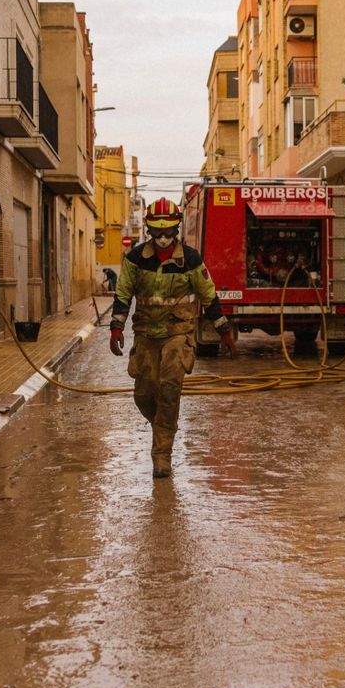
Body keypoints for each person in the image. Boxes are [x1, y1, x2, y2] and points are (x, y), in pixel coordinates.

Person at [109, 198, 236, 478]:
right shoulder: (134, 259)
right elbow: (122, 295)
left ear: (176, 230)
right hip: (145, 335)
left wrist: (223, 329)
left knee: (168, 389)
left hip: (178, 333)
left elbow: (208, 294)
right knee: (144, 394)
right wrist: (116, 327)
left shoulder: (190, 260)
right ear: (150, 231)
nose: (163, 239)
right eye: (158, 234)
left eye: (168, 234)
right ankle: (164, 424)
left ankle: (162, 454)